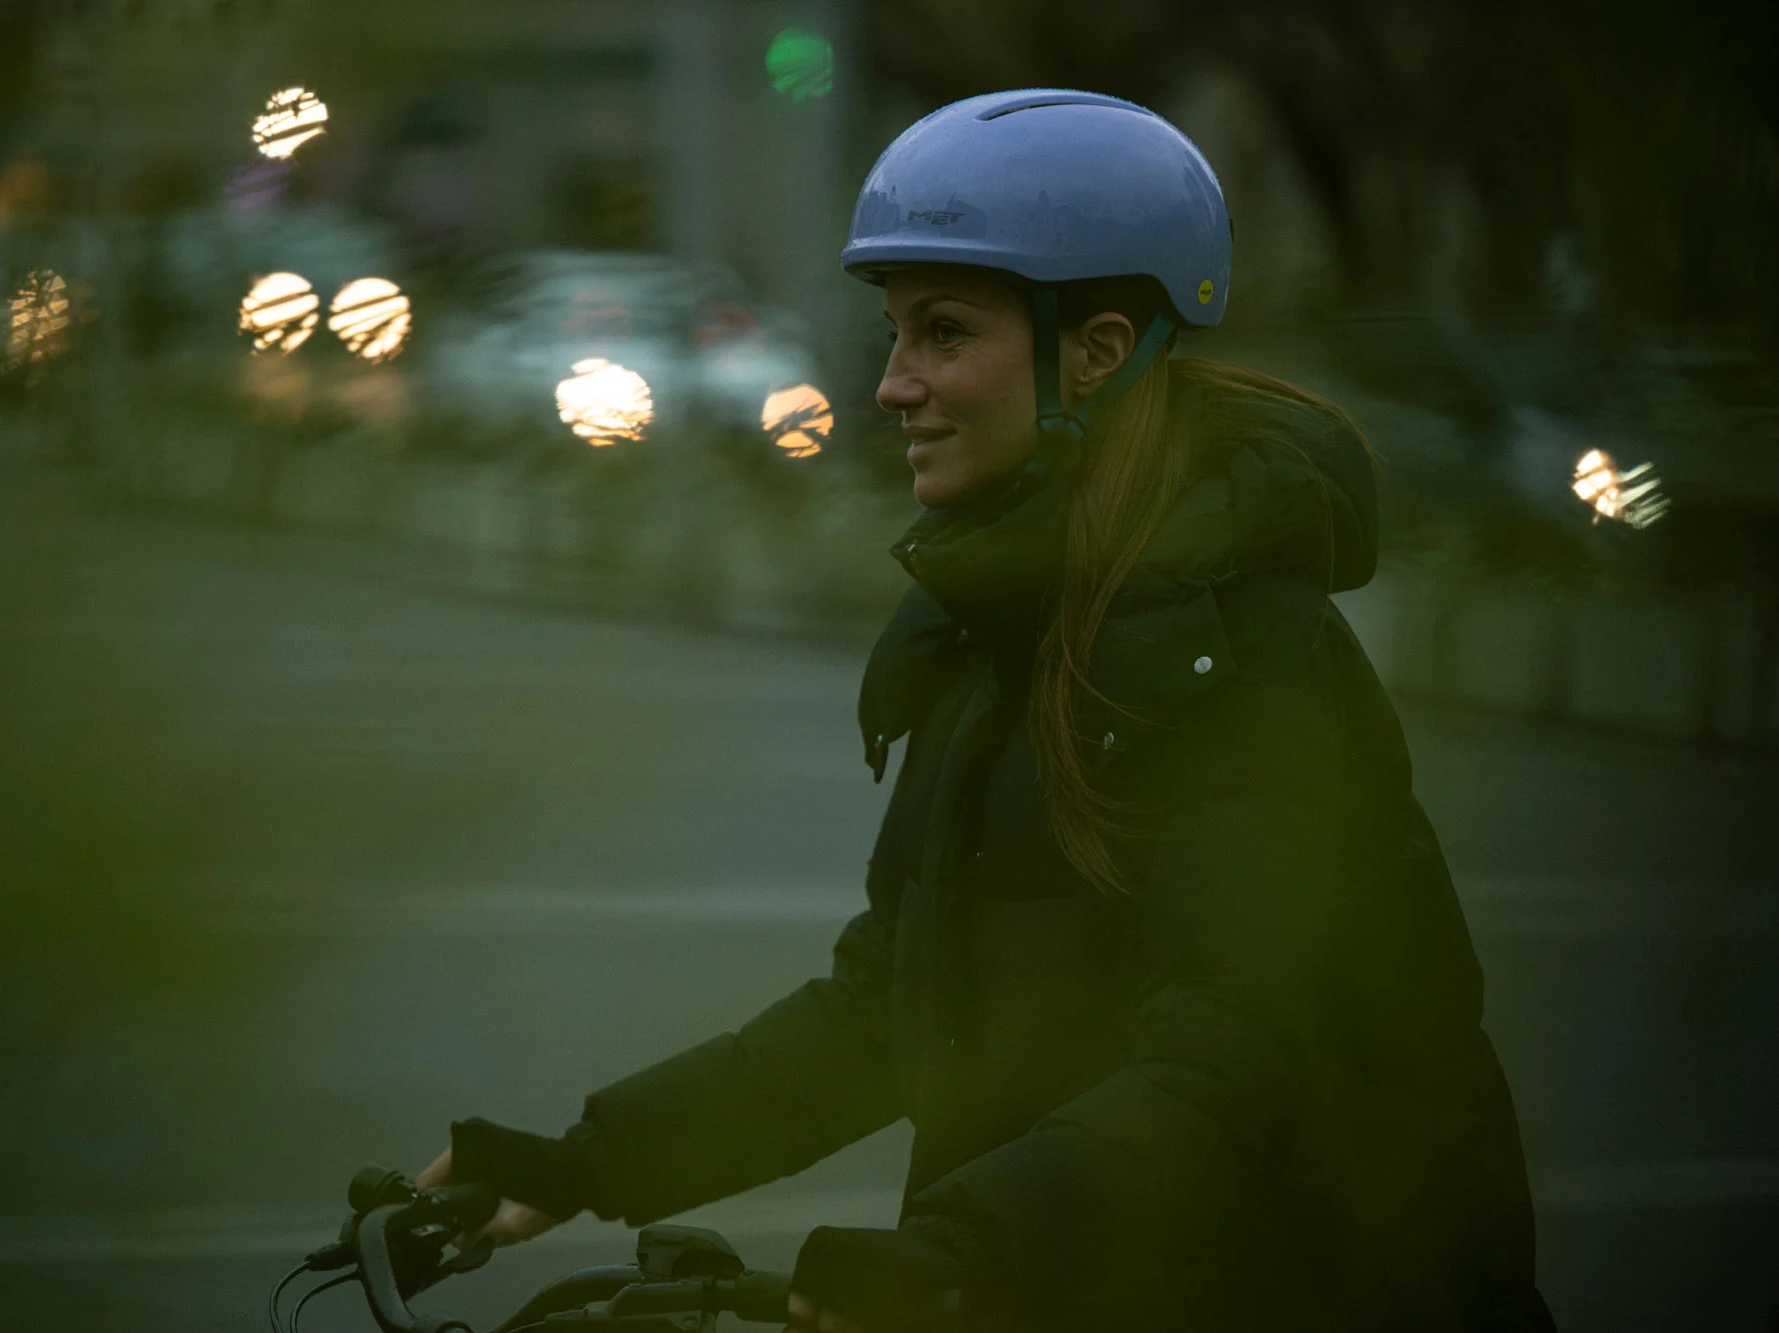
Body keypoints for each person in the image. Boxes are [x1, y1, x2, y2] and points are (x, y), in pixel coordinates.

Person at [418, 90, 1556, 1333]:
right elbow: (896, 1006)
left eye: (943, 334)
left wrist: (955, 1250)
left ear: (1098, 349)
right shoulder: (997, 627)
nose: (892, 387)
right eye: (894, 333)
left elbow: (1237, 1059)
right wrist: (578, 1164)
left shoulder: (1244, 656)